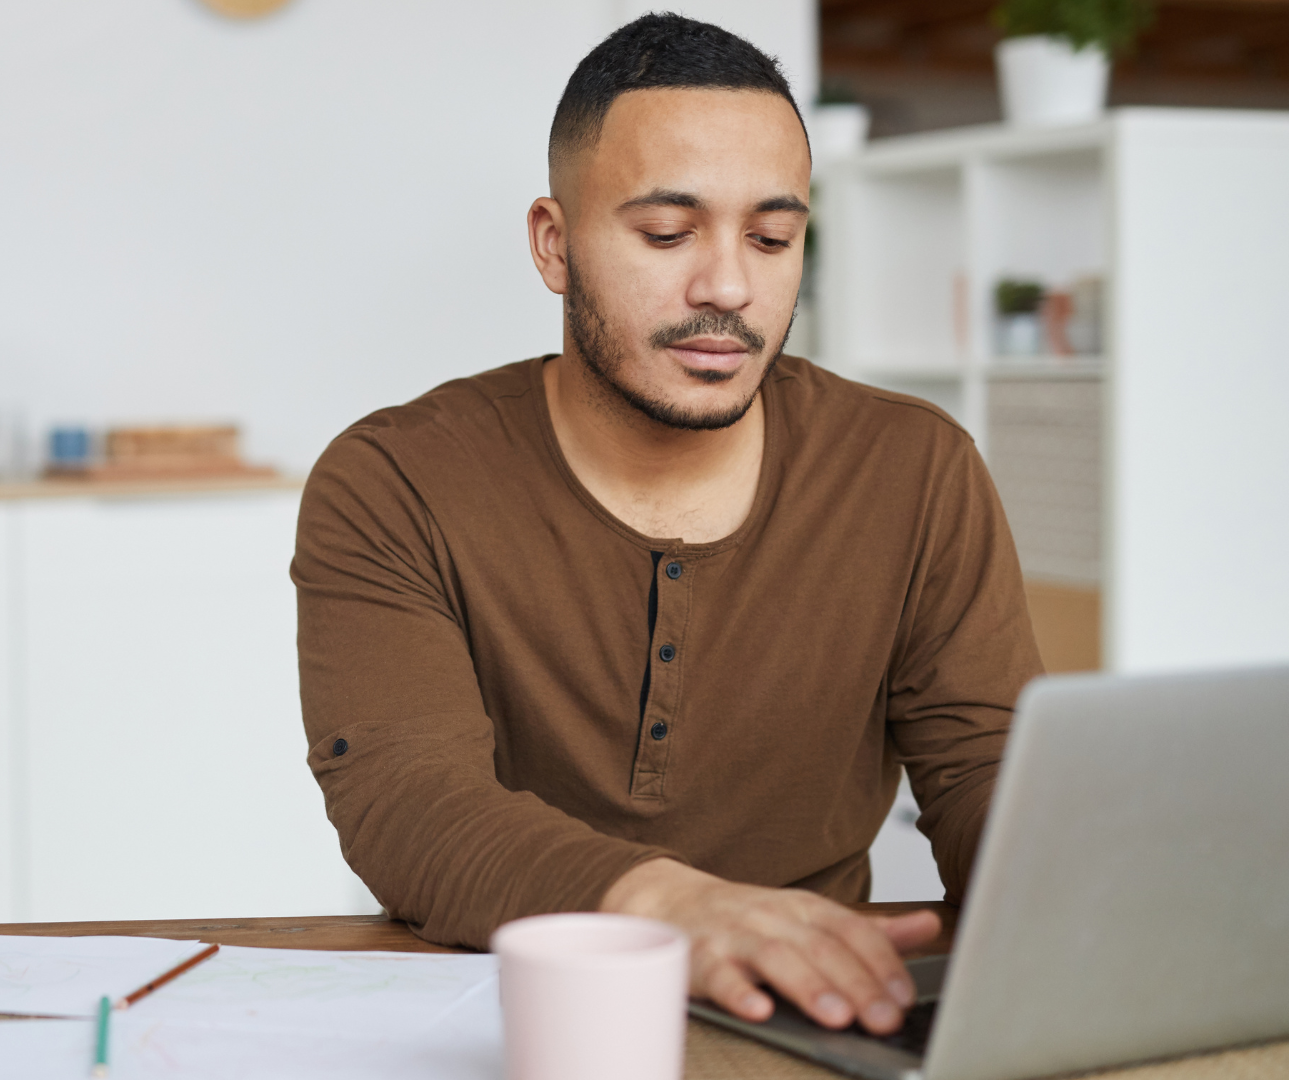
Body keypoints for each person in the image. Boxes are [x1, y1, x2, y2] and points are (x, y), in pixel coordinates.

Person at [291, 13, 1041, 1038]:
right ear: (555, 246)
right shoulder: (393, 480)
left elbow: (981, 767)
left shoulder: (915, 468)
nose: (729, 286)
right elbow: (409, 801)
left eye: (773, 238)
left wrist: (1073, 909)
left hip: (820, 1014)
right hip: (510, 1009)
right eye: (667, 234)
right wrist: (677, 907)